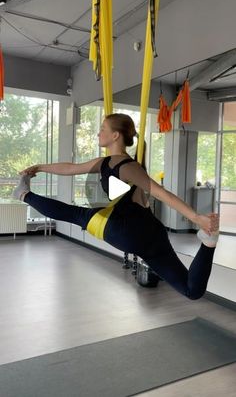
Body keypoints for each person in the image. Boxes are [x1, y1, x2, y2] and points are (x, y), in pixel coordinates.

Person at [13, 113, 219, 300]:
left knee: (74, 214)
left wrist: (196, 218)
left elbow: (161, 193)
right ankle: (208, 242)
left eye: (103, 128)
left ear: (115, 136)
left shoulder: (129, 167)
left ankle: (23, 194)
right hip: (148, 235)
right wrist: (39, 167)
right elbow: (70, 168)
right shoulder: (108, 162)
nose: (98, 133)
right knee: (191, 290)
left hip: (126, 231)